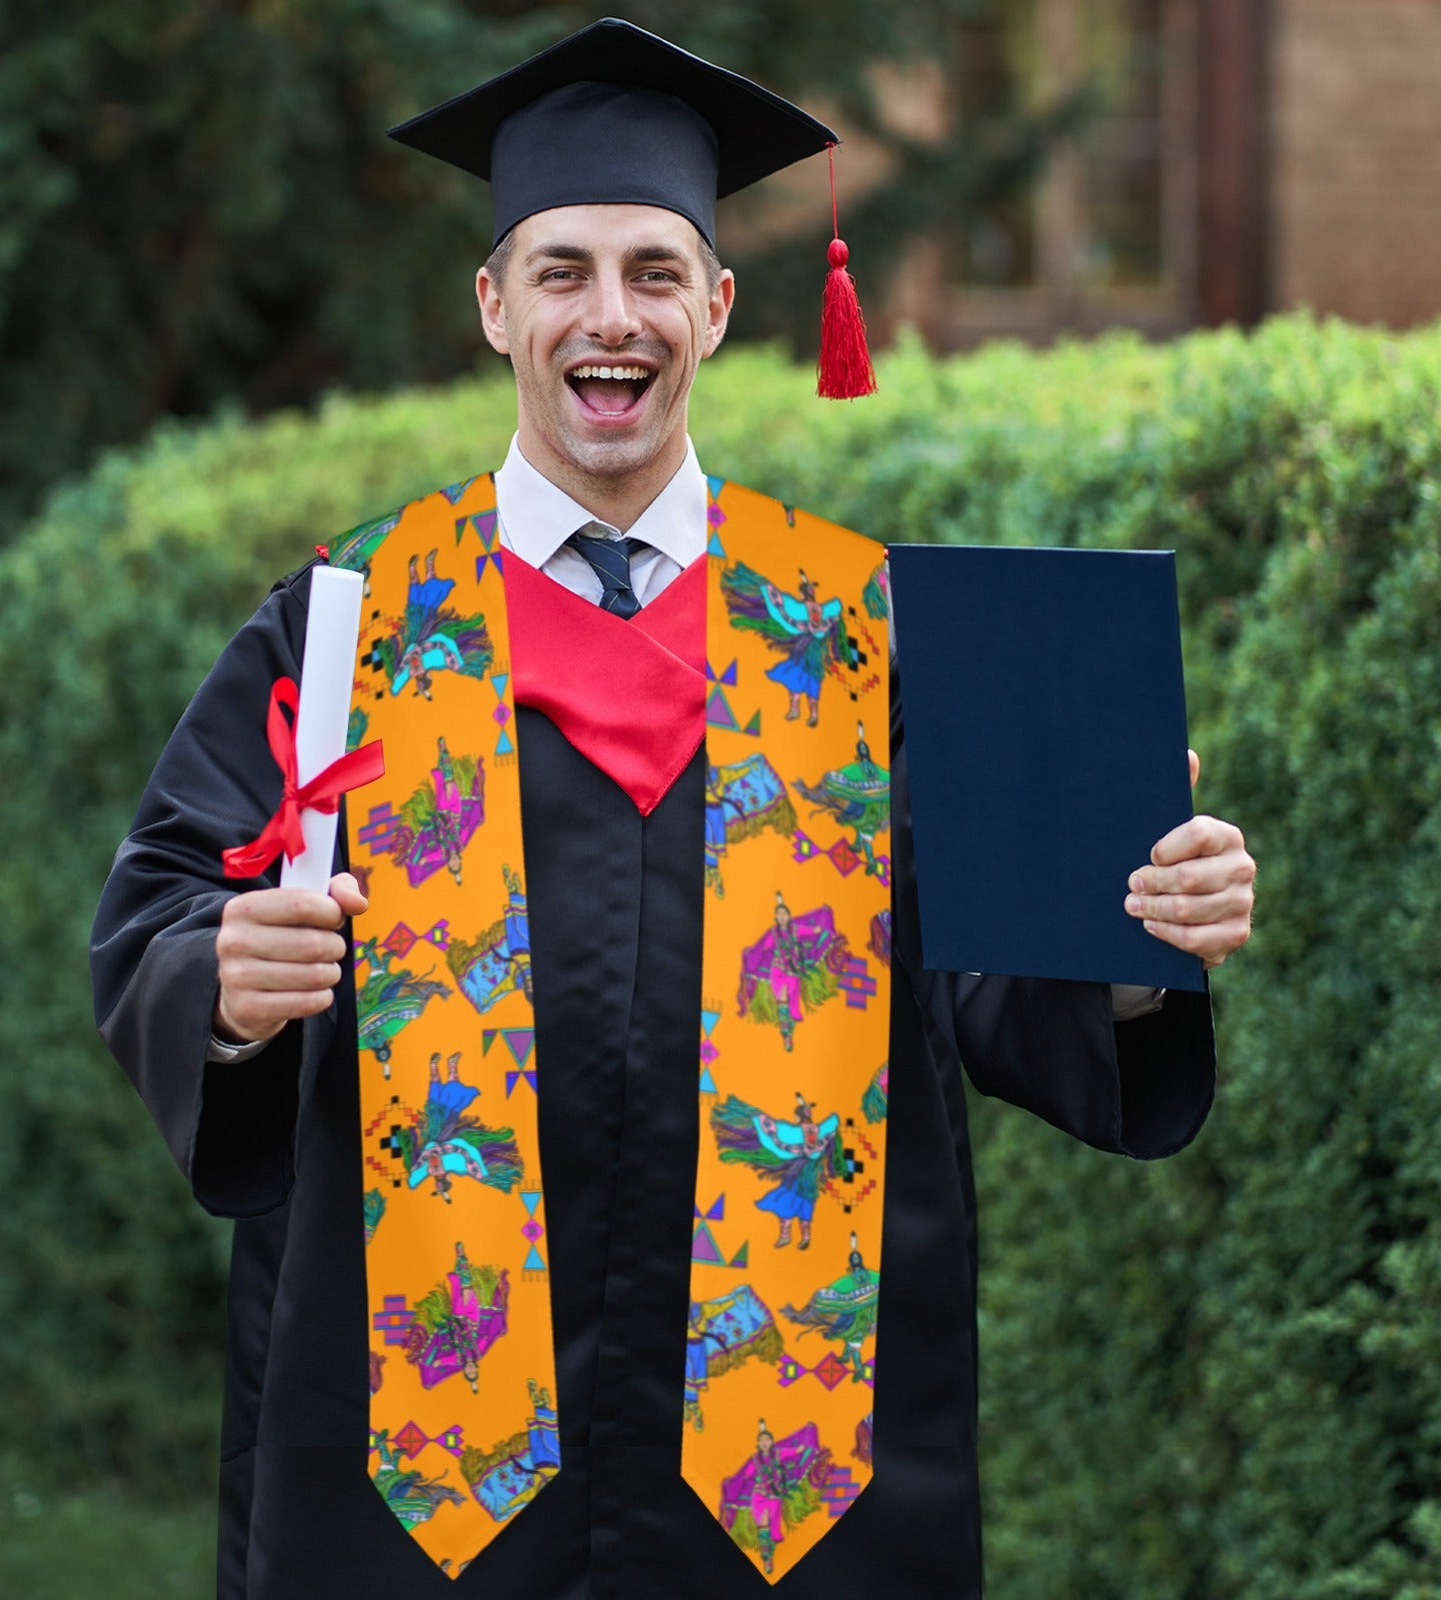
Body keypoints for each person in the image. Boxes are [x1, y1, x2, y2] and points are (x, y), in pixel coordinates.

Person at [90, 19, 1255, 1600]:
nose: (609, 316)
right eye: (562, 270)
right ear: (495, 305)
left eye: (653, 270)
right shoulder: (354, 624)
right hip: (423, 1465)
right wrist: (221, 983)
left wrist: (1133, 935)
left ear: (717, 305)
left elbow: (993, 975)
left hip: (793, 1463)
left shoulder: (864, 630)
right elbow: (164, 902)